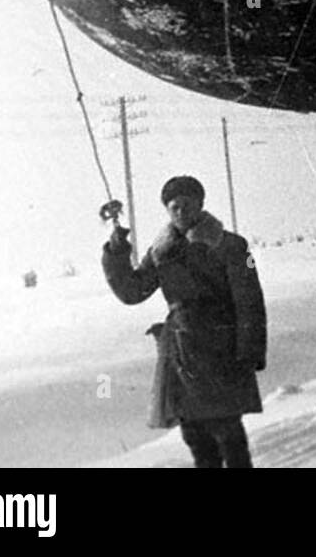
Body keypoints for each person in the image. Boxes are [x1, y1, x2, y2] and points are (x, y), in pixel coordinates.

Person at [101, 175, 266, 468]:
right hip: (182, 356)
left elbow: (249, 301)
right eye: (174, 206)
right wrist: (116, 251)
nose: (180, 211)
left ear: (200, 205)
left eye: (187, 204)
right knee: (196, 437)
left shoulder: (231, 246)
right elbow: (132, 291)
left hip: (222, 352)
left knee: (229, 434)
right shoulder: (160, 252)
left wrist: (250, 350)